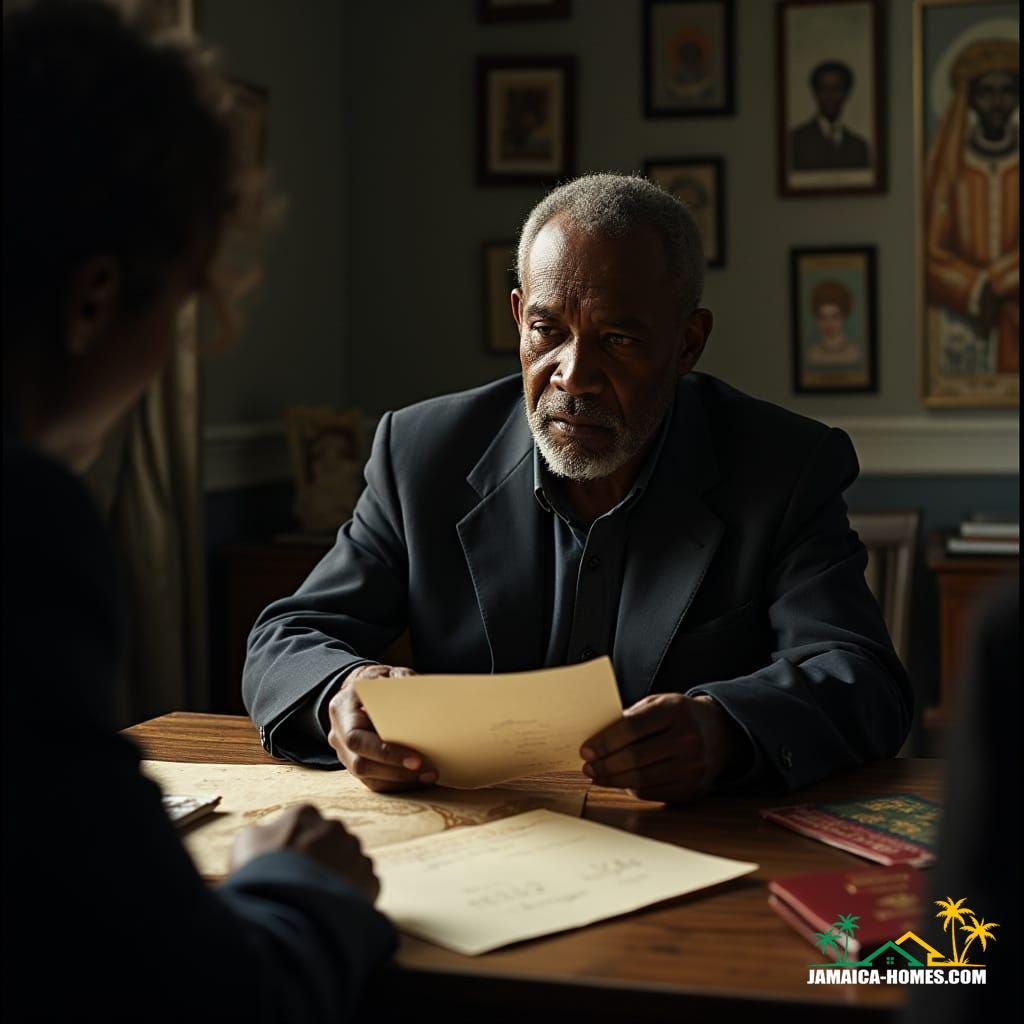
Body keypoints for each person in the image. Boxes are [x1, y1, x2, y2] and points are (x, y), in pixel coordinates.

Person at [244, 173, 912, 804]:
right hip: (478, 844)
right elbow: (288, 639)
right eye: (548, 332)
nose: (574, 376)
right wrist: (343, 691)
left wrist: (726, 730)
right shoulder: (423, 455)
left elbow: (863, 677)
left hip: (695, 854)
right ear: (518, 319)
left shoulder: (783, 468)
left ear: (688, 343)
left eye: (617, 339)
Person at [1, 3, 394, 1021]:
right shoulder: (23, 525)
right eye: (182, 307)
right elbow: (210, 1000)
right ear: (94, 299)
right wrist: (301, 883)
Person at [925, 39, 1018, 375]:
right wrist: (975, 288)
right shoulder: (951, 166)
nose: (996, 102)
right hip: (963, 321)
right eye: (986, 91)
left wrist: (997, 281)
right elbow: (930, 251)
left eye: (1007, 90)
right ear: (971, 99)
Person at [790, 60, 871, 171]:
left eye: (836, 89)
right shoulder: (795, 141)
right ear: (815, 93)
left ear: (847, 93)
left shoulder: (858, 147)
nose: (830, 96)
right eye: (824, 89)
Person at [805, 280, 862, 366]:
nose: (829, 324)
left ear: (843, 317)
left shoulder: (855, 354)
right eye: (823, 317)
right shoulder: (811, 355)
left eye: (834, 317)